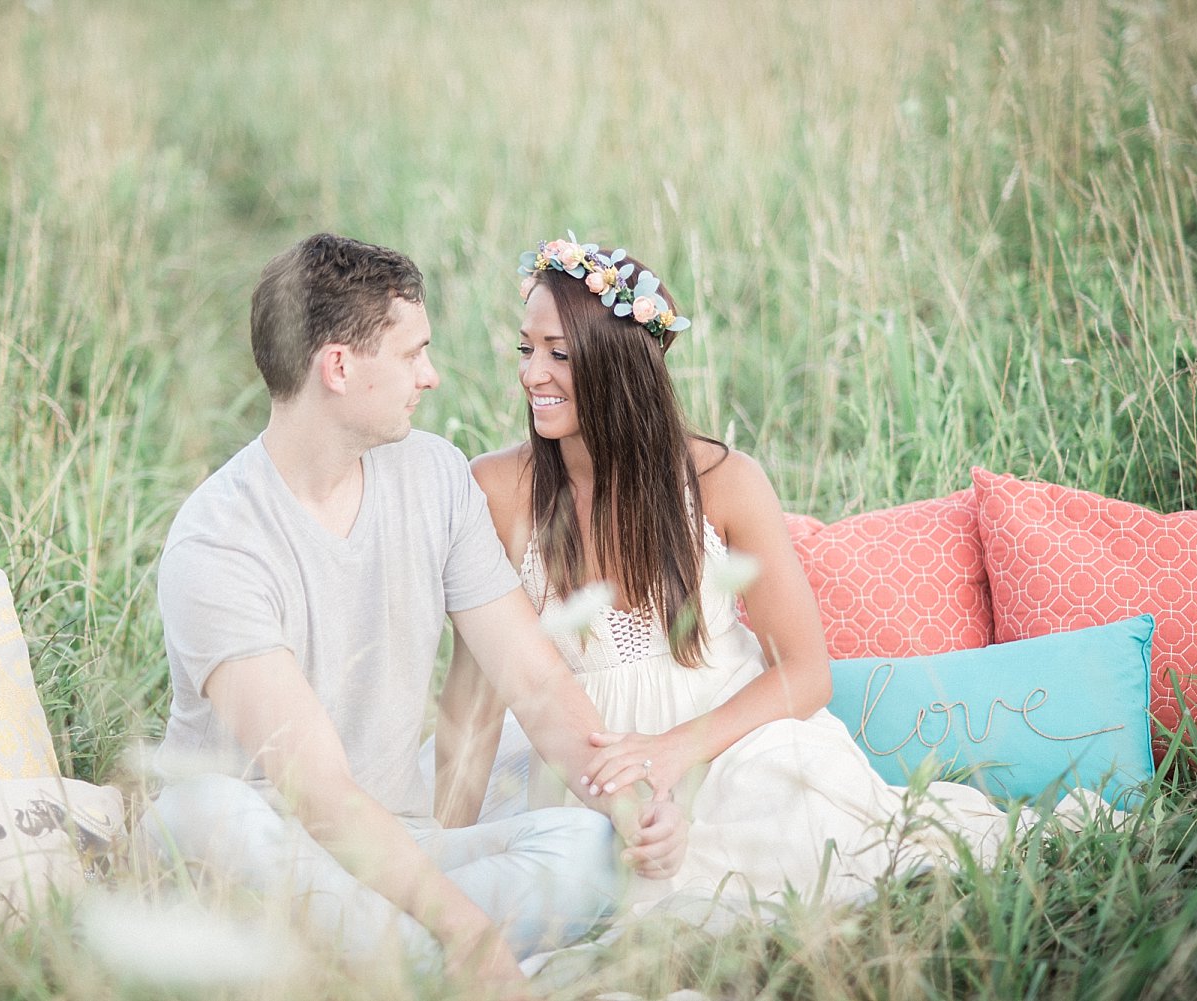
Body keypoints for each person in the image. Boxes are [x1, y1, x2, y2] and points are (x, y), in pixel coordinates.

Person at [436, 234, 1061, 919]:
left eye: (559, 352)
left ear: (618, 362)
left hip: (725, 740)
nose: (532, 375)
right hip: (577, 756)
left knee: (795, 827)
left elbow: (804, 671)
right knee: (548, 885)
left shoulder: (723, 481)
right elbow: (474, 701)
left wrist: (677, 750)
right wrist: (444, 851)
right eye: (527, 349)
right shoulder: (495, 488)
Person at [143, 233, 687, 995]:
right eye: (412, 354)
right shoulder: (218, 541)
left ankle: (379, 959)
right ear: (339, 367)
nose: (430, 377)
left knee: (590, 848)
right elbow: (318, 791)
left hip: (397, 850)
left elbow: (532, 680)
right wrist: (463, 925)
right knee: (203, 811)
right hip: (261, 845)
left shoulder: (433, 475)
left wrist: (634, 811)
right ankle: (431, 960)